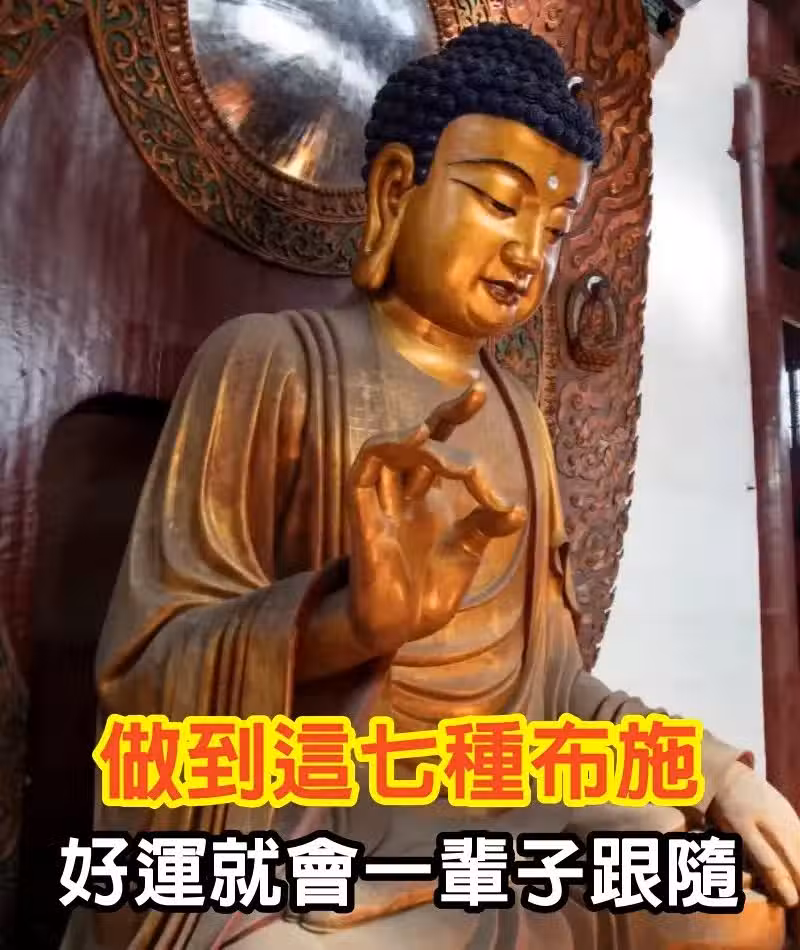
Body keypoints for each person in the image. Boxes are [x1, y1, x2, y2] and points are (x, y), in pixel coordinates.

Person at [63, 23, 798, 950]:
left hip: (486, 808)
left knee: (724, 908)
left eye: (555, 229)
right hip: (294, 825)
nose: (528, 252)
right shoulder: (272, 363)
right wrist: (346, 627)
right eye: (499, 202)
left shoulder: (521, 423)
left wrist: (714, 770)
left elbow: (555, 695)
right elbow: (143, 681)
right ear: (393, 189)